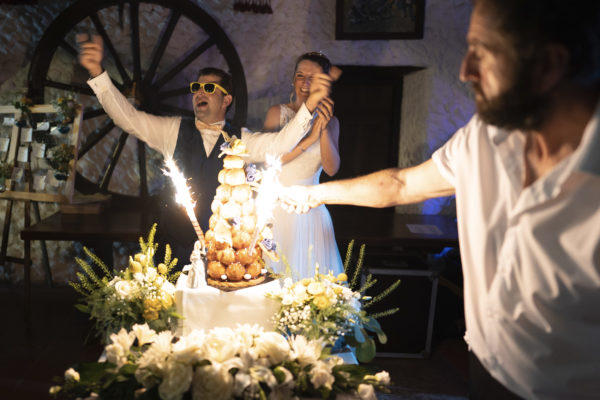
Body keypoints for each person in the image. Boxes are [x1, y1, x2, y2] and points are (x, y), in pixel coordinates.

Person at [280, 1, 600, 399]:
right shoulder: (484, 135)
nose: (465, 70)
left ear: (549, 64)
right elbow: (399, 185)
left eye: (482, 51)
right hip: (484, 368)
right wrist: (315, 193)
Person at [77, 34, 332, 265]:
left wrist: (308, 107)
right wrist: (98, 74)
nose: (200, 92)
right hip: (173, 247)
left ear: (226, 100)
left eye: (209, 88)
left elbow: (278, 145)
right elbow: (129, 119)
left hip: (223, 253)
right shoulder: (173, 130)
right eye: (196, 88)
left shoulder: (240, 140)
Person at [262, 52, 343, 279]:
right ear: (293, 80)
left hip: (311, 213)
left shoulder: (332, 122)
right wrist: (308, 139)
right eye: (300, 76)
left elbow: (331, 168)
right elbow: (269, 161)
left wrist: (324, 128)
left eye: (313, 77)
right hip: (277, 210)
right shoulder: (277, 113)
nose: (305, 83)